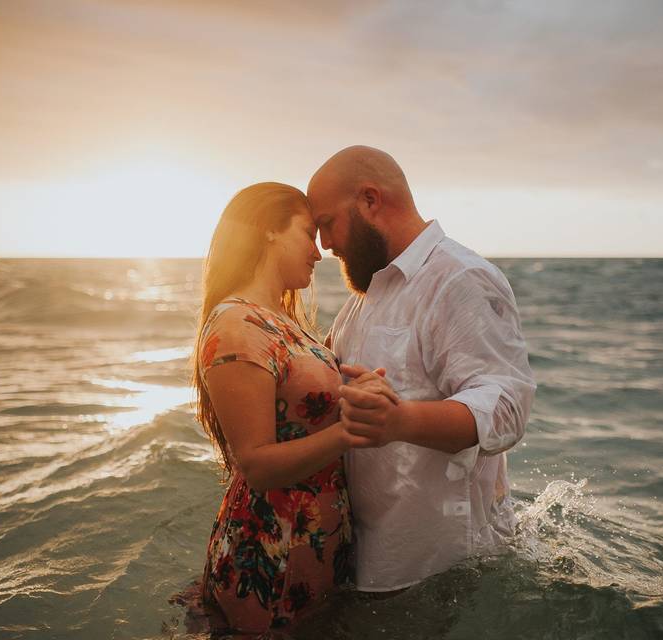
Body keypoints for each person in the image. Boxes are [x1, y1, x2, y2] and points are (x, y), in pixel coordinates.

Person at [306, 146, 537, 594]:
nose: (325, 244)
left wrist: (399, 420)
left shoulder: (459, 278)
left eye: (327, 224)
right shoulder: (367, 296)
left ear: (370, 201)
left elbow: (507, 408)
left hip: (437, 572)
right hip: (376, 564)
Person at [187, 182, 393, 633]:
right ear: (267, 232)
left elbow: (301, 407)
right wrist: (350, 430)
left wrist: (355, 387)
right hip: (272, 553)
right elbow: (256, 464)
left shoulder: (281, 321)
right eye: (307, 233)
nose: (319, 253)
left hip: (311, 542)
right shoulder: (237, 325)